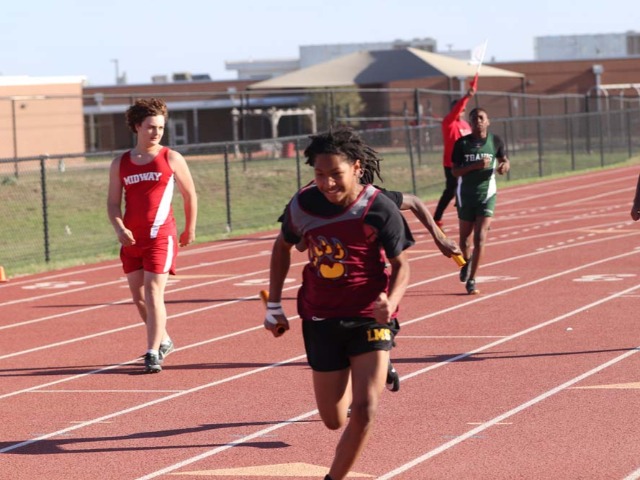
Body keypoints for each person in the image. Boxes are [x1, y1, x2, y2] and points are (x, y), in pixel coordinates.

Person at [264, 127, 414, 480]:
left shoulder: (379, 208)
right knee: (333, 420)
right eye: (319, 174)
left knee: (365, 409)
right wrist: (273, 305)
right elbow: (282, 246)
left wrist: (390, 302)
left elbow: (402, 265)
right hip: (322, 316)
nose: (327, 183)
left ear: (357, 167)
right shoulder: (303, 205)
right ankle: (370, 370)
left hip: (369, 316)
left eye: (336, 174)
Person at [107, 98, 198, 373]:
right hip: (132, 240)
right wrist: (119, 228)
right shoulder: (120, 163)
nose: (156, 132)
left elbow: (189, 194)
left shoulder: (171, 158)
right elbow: (113, 203)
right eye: (150, 127)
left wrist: (190, 228)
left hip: (161, 237)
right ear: (137, 126)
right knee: (139, 299)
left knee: (153, 292)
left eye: (160, 127)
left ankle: (151, 352)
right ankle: (164, 340)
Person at [452, 107, 510, 295]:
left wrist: (504, 167)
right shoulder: (462, 144)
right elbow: (455, 171)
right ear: (469, 123)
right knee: (464, 240)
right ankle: (466, 263)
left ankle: (472, 279)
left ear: (487, 121)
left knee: (480, 237)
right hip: (466, 194)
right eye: (474, 118)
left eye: (481, 118)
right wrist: (475, 165)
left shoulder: (495, 141)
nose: (478, 121)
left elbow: (504, 161)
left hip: (487, 194)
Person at [433, 87, 476, 228]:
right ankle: (437, 218)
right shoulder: (449, 122)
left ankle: (475, 218)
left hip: (467, 163)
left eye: (464, 110)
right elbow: (456, 110)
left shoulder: (465, 125)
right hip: (452, 164)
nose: (462, 111)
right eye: (460, 109)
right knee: (451, 191)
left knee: (468, 189)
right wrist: (467, 97)